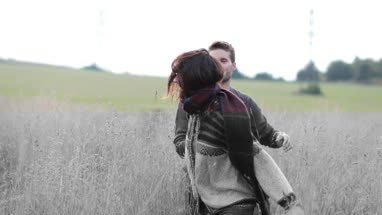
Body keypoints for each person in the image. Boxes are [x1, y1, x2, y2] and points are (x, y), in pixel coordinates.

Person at [172, 42, 292, 214]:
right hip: (200, 193)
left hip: (234, 198)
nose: (218, 65)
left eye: (223, 60)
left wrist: (278, 138)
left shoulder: (241, 103)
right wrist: (202, 153)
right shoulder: (190, 105)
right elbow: (180, 139)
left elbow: (260, 143)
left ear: (233, 66)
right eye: (214, 61)